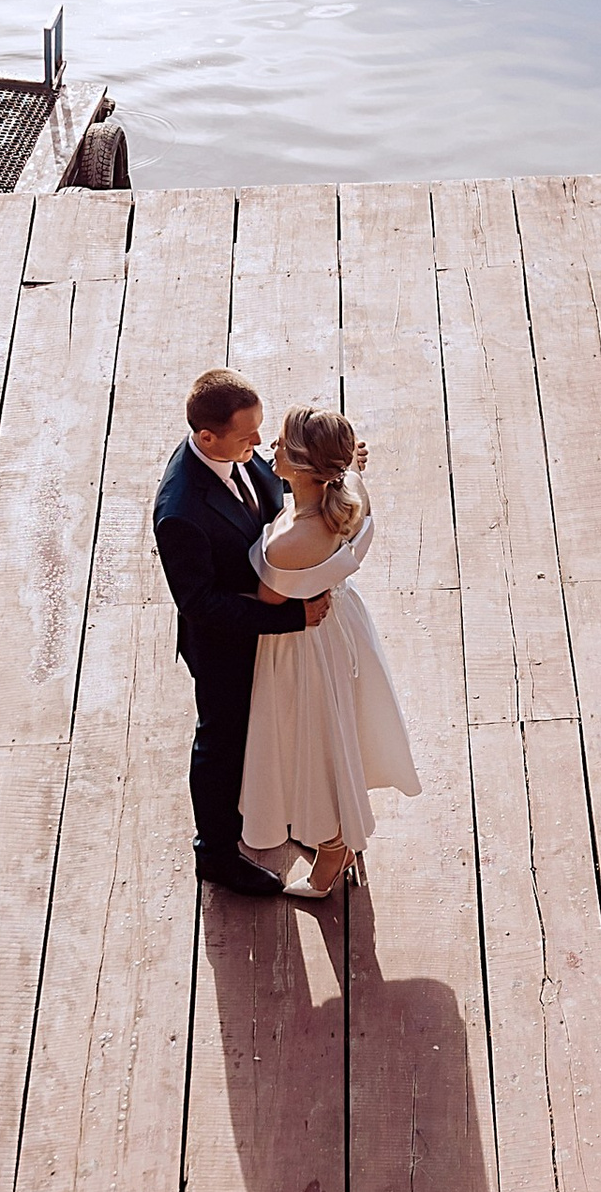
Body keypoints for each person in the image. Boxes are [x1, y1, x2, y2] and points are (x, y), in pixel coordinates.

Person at [152, 368, 331, 901]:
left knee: (278, 726)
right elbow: (200, 604)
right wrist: (290, 617)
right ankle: (216, 854)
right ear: (207, 437)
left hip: (266, 632)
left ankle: (278, 813)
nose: (259, 444)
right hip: (225, 647)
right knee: (221, 746)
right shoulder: (179, 511)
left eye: (259, 431)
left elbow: (274, 493)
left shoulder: (237, 454)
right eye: (246, 436)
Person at [239, 405, 419, 897]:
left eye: (278, 443)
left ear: (299, 464)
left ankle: (333, 846)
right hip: (341, 626)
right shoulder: (351, 496)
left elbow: (267, 602)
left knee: (308, 746)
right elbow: (352, 475)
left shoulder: (289, 543)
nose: (269, 449)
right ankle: (334, 833)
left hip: (298, 650)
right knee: (337, 733)